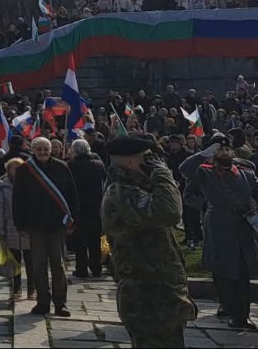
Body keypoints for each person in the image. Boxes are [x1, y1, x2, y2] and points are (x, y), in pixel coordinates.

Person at [101, 135, 198, 347]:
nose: (151, 162)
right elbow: (169, 211)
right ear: (129, 161)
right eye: (146, 157)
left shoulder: (134, 187)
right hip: (148, 296)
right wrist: (163, 173)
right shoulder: (121, 192)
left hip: (159, 293)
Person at [184, 134, 258, 330]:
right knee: (223, 272)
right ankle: (228, 306)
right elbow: (185, 171)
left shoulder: (246, 173)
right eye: (220, 149)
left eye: (227, 149)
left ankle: (240, 316)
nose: (224, 152)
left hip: (243, 229)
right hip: (219, 228)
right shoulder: (205, 172)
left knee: (242, 273)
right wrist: (204, 154)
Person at [14, 136, 78, 317]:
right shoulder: (25, 170)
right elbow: (18, 198)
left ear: (51, 150)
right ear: (32, 150)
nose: (43, 152)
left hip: (58, 225)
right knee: (38, 265)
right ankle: (43, 302)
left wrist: (74, 219)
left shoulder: (62, 167)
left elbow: (72, 195)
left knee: (58, 265)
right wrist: (20, 223)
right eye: (39, 149)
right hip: (35, 225)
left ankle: (60, 303)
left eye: (46, 149)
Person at [0, 158, 32, 300]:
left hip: (27, 227)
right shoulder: (2, 184)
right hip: (10, 226)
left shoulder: (30, 182)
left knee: (30, 259)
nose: (15, 170)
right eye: (13, 168)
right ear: (8, 169)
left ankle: (31, 288)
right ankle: (16, 288)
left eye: (18, 168)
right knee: (14, 261)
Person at [68, 139, 106, 278]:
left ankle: (81, 268)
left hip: (78, 207)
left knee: (80, 241)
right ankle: (96, 267)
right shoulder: (98, 165)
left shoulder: (71, 165)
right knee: (95, 239)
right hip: (96, 206)